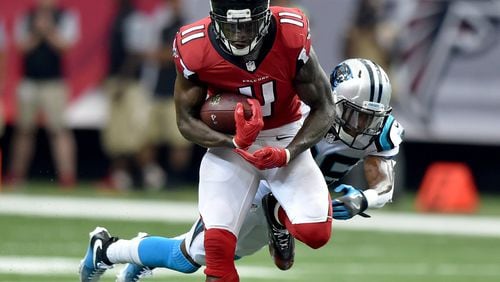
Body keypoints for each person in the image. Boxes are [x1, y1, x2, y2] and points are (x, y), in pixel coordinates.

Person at [79, 58, 404, 282]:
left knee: (202, 256)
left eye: (371, 117)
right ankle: (107, 249)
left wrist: (365, 199)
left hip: (293, 194)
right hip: (260, 182)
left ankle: (135, 254)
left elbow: (384, 180)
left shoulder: (379, 130)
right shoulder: (304, 109)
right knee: (190, 258)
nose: (364, 126)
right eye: (357, 114)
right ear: (333, 100)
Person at [80, 0, 335, 281]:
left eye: (248, 25)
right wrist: (233, 142)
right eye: (231, 26)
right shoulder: (196, 47)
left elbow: (325, 106)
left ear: (264, 17)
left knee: (315, 232)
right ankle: (110, 251)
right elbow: (185, 121)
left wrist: (288, 153)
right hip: (232, 149)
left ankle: (276, 214)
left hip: (285, 134)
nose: (239, 35)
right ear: (215, 18)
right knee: (206, 256)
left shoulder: (289, 34)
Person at [6, 0, 79, 188]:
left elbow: (66, 46)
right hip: (29, 81)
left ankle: (67, 176)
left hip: (54, 82)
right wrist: (38, 32)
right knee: (23, 130)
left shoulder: (66, 17)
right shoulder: (26, 17)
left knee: (59, 129)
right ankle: (16, 175)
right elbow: (21, 47)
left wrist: (48, 30)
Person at [100, 0, 155, 190]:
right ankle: (121, 176)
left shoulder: (136, 20)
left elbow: (135, 55)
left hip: (130, 84)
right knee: (117, 136)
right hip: (118, 81)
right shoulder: (118, 19)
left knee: (136, 133)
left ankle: (151, 174)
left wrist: (122, 82)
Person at [141, 0, 194, 189]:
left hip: (178, 91)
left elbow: (174, 56)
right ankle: (152, 174)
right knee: (147, 138)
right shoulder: (161, 26)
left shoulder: (186, 28)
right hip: (158, 90)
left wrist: (159, 55)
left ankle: (175, 179)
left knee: (179, 141)